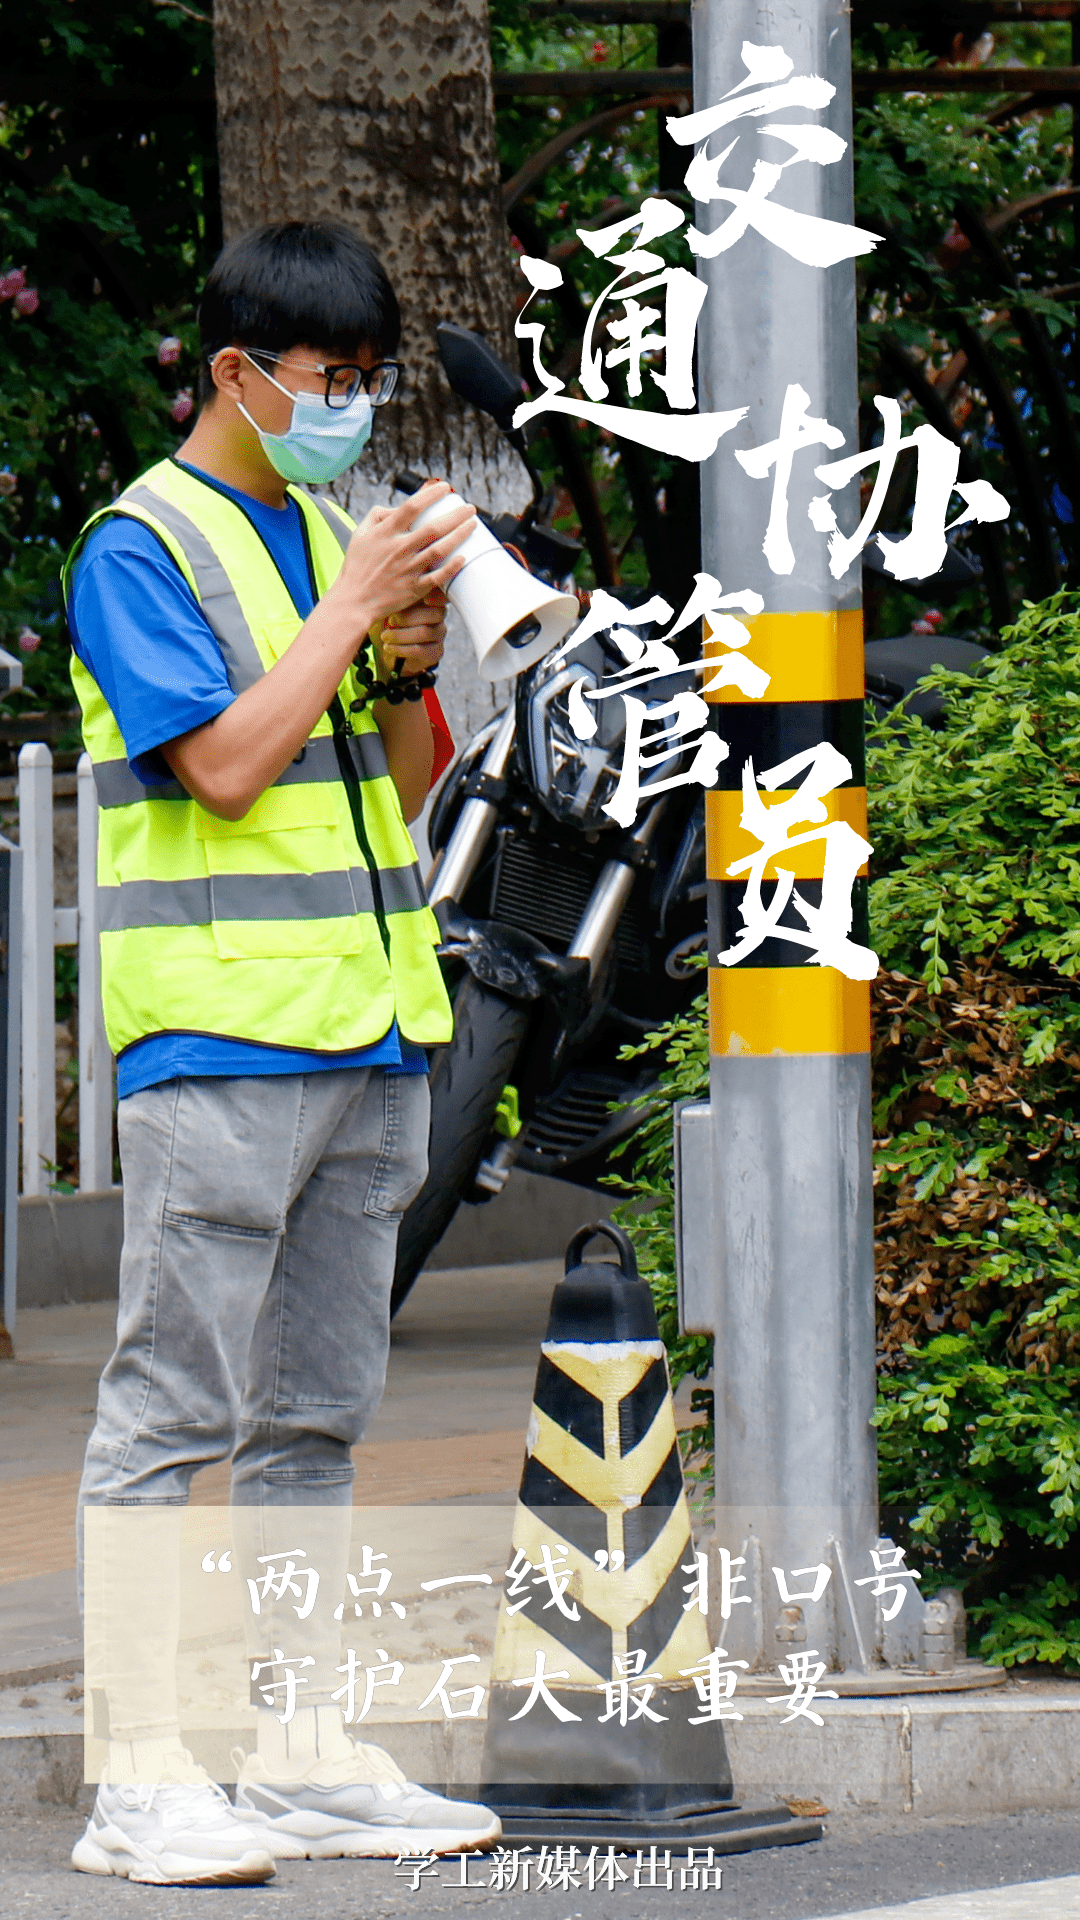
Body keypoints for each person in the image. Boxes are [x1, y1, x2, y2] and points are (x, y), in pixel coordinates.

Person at [63, 220, 501, 1885]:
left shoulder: (325, 533)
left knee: (313, 1418)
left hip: (370, 1027)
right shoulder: (138, 545)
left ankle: (302, 1745)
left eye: (367, 381)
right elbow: (229, 770)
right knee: (172, 1413)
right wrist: (353, 609)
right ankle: (140, 1774)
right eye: (328, 380)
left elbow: (385, 788)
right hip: (225, 1038)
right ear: (235, 370)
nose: (349, 408)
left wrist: (403, 661)